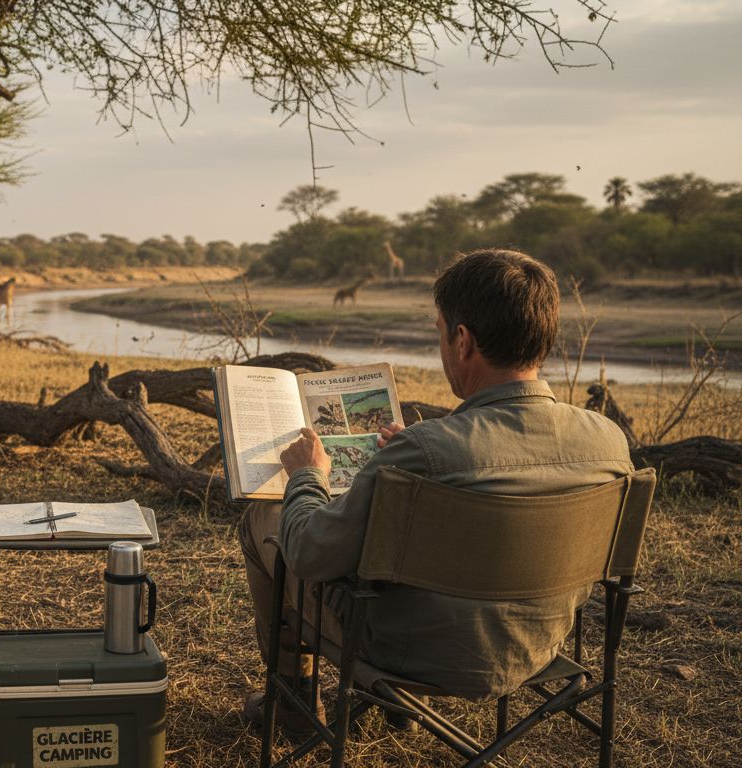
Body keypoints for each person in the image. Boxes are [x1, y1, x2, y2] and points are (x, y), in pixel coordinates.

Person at [239, 249, 634, 731]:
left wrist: (307, 475)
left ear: (462, 340)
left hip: (411, 654)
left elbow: (310, 553)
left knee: (266, 519)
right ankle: (386, 706)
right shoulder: (608, 441)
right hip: (537, 648)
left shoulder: (426, 452)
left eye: (440, 332)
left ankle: (294, 702)